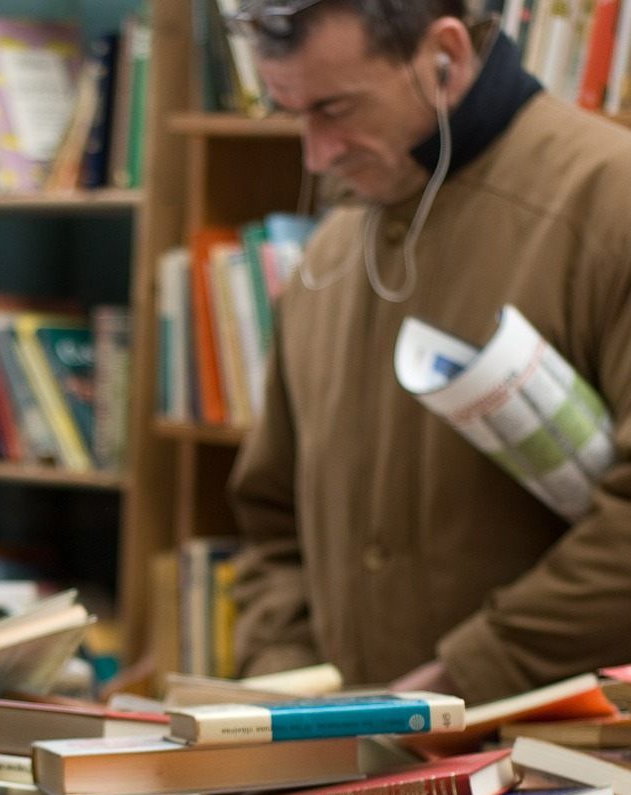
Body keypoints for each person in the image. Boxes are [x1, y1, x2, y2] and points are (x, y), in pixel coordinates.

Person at [228, 0, 631, 702]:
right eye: (291, 112)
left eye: (335, 108)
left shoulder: (609, 202)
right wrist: (284, 691)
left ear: (442, 55)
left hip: (565, 766)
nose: (314, 154)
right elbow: (271, 521)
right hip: (342, 762)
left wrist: (470, 672)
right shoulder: (326, 254)